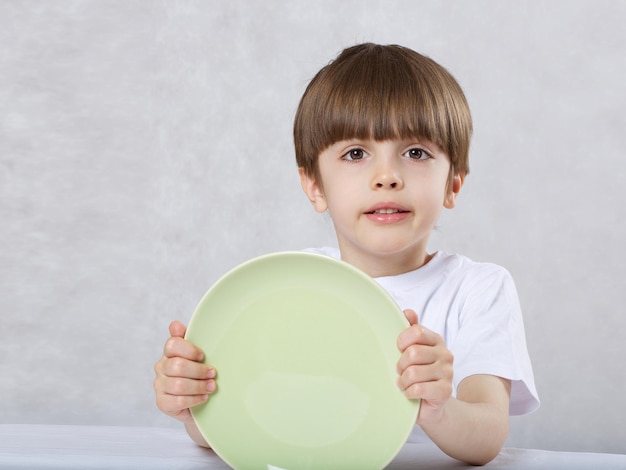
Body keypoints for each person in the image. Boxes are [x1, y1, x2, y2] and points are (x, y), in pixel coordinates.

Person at [153, 43, 539, 465]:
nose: (387, 177)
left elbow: (487, 437)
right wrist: (191, 403)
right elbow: (237, 429)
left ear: (454, 184)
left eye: (416, 153)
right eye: (356, 154)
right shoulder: (293, 285)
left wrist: (439, 409)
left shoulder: (478, 289)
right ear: (314, 185)